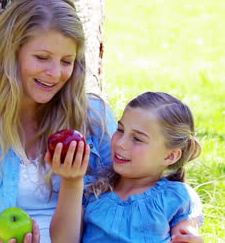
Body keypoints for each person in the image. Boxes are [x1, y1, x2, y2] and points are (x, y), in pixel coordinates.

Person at [0, 0, 116, 243]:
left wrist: (185, 218)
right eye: (42, 58)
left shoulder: (95, 118)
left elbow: (135, 190)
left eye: (66, 61)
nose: (54, 73)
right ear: (10, 53)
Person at [48, 91, 205, 243]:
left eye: (137, 139)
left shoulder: (177, 197)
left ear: (170, 156)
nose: (120, 143)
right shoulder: (91, 190)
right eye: (120, 130)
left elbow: (186, 236)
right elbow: (62, 240)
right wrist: (72, 181)